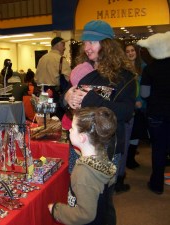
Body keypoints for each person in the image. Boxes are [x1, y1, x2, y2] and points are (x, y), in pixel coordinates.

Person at [63, 20, 136, 224]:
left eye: (92, 42)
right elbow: (67, 100)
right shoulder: (84, 69)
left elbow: (126, 111)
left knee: (101, 202)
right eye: (85, 43)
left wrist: (90, 98)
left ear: (107, 44)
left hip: (105, 149)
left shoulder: (124, 76)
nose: (87, 48)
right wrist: (66, 97)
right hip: (78, 145)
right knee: (76, 195)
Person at [48, 107, 117, 225]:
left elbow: (85, 214)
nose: (69, 130)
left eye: (73, 128)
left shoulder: (83, 172)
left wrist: (56, 210)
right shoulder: (102, 156)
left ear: (82, 137)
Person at [138, 31, 170, 194]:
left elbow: (144, 94)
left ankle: (157, 185)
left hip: (156, 114)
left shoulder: (149, 70)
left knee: (158, 149)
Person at [35, 37, 71, 119]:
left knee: (45, 118)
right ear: (58, 45)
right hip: (56, 93)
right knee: (58, 119)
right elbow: (69, 78)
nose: (64, 48)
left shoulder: (42, 59)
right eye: (63, 45)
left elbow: (36, 78)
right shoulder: (60, 59)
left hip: (43, 93)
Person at [125, 43, 148, 169]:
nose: (130, 53)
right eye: (127, 51)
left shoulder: (144, 67)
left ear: (137, 51)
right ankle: (128, 159)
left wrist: (140, 101)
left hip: (141, 106)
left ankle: (131, 158)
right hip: (128, 105)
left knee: (136, 133)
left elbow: (146, 87)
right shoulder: (123, 68)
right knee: (129, 133)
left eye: (132, 50)